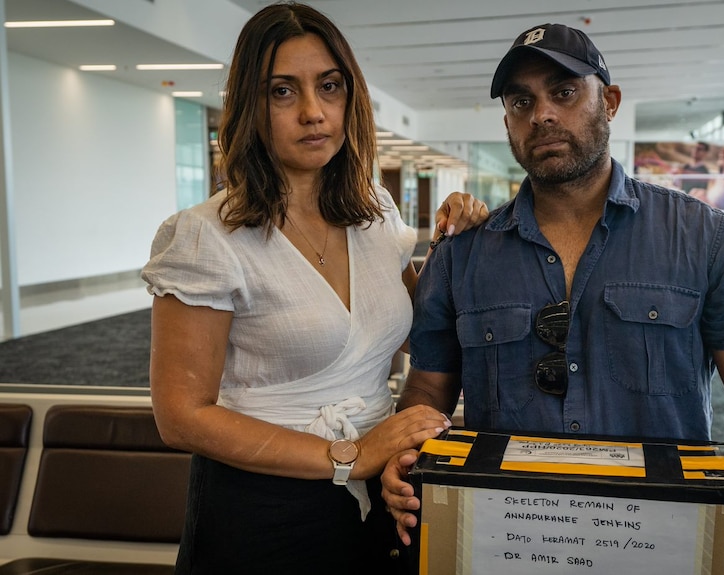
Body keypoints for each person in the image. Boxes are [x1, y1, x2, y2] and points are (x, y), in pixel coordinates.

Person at [382, 22, 724, 575]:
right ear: (508, 120)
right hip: (505, 545)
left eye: (563, 92)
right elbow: (427, 389)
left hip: (660, 549)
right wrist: (404, 453)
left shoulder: (707, 240)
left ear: (608, 102)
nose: (542, 115)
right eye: (521, 101)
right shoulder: (462, 255)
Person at [140, 3, 487, 574]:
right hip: (262, 505)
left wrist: (458, 242)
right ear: (251, 103)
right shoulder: (206, 236)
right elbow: (180, 416)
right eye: (283, 92)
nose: (312, 112)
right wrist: (347, 454)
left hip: (377, 493)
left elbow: (409, 331)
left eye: (329, 86)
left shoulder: (374, 212)